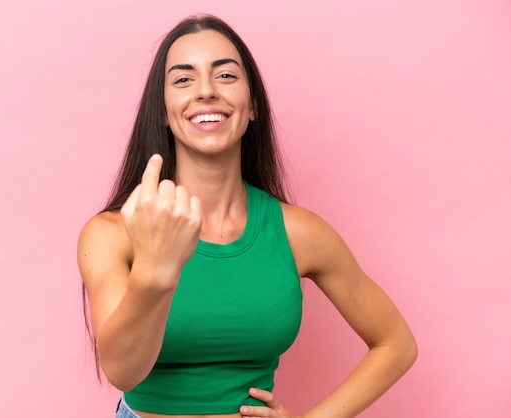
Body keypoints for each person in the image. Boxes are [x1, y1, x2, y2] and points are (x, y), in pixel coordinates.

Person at [77, 14, 417, 418]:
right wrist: (156, 267)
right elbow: (124, 372)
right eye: (184, 80)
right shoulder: (112, 233)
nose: (206, 91)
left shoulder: (297, 232)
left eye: (225, 76)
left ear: (252, 105)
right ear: (163, 113)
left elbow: (396, 343)